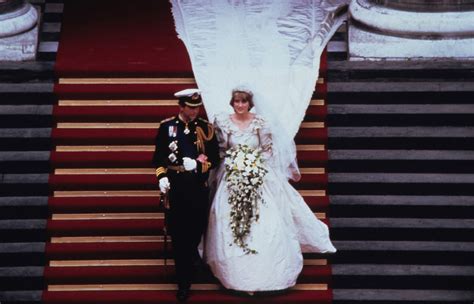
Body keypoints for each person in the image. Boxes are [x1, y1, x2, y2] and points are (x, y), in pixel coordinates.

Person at [204, 88, 336, 293]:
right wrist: (235, 166)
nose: (240, 105)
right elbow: (221, 150)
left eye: (243, 102)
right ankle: (237, 276)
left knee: (265, 222)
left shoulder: (260, 123)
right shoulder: (222, 122)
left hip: (258, 175)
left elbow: (267, 150)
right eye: (236, 102)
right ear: (232, 103)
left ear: (250, 103)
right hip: (231, 176)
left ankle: (267, 273)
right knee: (229, 221)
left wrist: (253, 167)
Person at [153, 88, 219, 302]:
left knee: (194, 233)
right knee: (178, 235)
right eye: (190, 108)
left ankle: (190, 263)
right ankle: (183, 282)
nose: (195, 111)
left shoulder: (206, 129)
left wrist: (198, 168)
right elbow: (158, 158)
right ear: (181, 107)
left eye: (197, 107)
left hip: (197, 188)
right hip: (176, 188)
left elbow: (215, 159)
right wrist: (161, 177)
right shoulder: (167, 127)